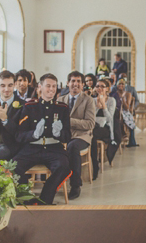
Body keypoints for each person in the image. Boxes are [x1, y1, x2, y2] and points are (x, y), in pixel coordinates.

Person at [13, 73, 72, 205]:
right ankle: (27, 199)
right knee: (13, 166)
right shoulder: (29, 107)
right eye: (48, 86)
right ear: (40, 87)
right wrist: (33, 134)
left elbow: (68, 136)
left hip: (54, 148)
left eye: (54, 86)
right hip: (32, 147)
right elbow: (20, 135)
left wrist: (59, 134)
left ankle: (45, 200)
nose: (51, 89)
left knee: (64, 166)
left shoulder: (62, 108)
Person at [58, 71, 95, 200]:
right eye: (73, 81)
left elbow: (90, 124)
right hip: (63, 136)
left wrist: (68, 121)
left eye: (79, 81)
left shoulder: (88, 100)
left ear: (83, 84)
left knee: (72, 147)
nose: (75, 84)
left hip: (82, 136)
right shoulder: (60, 100)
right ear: (68, 83)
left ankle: (75, 185)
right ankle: (55, 181)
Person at [91, 79, 118, 180]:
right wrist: (97, 107)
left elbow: (110, 119)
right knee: (91, 135)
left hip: (106, 128)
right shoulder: (92, 100)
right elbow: (90, 118)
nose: (99, 88)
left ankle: (94, 165)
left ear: (107, 89)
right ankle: (93, 163)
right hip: (94, 126)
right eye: (97, 86)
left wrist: (104, 106)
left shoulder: (111, 100)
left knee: (92, 134)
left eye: (102, 86)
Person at [116, 79, 138, 147]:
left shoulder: (128, 94)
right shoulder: (115, 93)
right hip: (117, 110)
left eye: (122, 84)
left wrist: (122, 99)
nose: (121, 85)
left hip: (125, 112)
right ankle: (121, 134)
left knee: (122, 116)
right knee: (117, 115)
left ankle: (124, 134)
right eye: (119, 84)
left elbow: (127, 108)